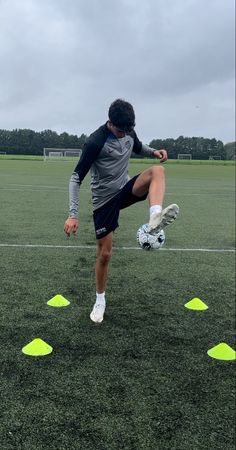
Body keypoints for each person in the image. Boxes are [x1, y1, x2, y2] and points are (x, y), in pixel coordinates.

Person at [64, 99, 179, 323]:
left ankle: (155, 216)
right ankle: (100, 301)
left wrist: (154, 151)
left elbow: (138, 146)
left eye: (128, 130)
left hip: (124, 189)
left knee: (158, 170)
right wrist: (73, 214)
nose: (124, 134)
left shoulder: (128, 131)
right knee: (105, 255)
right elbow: (75, 178)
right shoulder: (95, 142)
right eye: (120, 130)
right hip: (104, 201)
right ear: (110, 122)